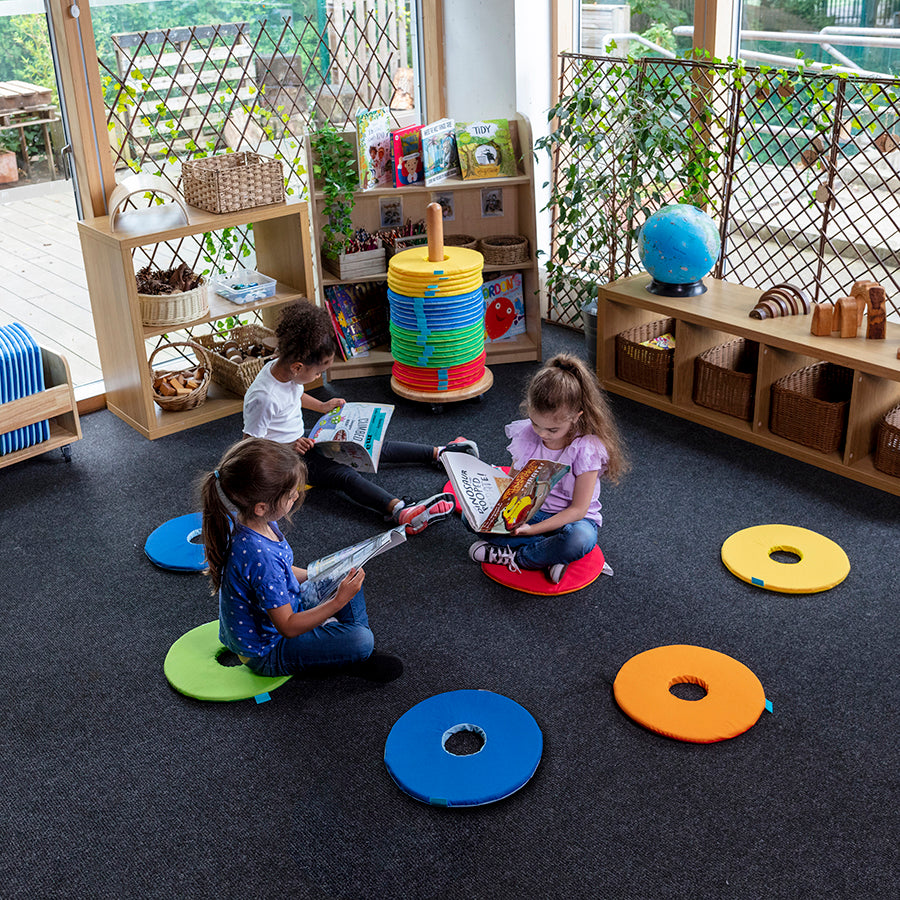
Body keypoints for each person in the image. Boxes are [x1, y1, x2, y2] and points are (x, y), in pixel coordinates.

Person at [242, 300, 478, 534]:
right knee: (343, 475)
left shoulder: (283, 371)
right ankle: (400, 510)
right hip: (286, 461)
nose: (317, 378)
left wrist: (323, 406)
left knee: (369, 446)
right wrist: (288, 447)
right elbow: (248, 447)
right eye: (318, 372)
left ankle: (438, 453)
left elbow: (295, 395)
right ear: (297, 367)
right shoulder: (263, 397)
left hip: (303, 442)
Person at [201, 437, 403, 682]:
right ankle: (353, 652)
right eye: (290, 495)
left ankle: (342, 645)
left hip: (284, 608)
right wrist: (337, 602)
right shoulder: (259, 556)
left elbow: (284, 571)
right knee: (362, 640)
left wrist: (321, 574)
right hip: (267, 650)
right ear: (261, 507)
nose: (296, 497)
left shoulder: (256, 522)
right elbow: (287, 626)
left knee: (348, 575)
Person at [468, 353, 629, 584]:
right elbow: (513, 483)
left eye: (552, 430)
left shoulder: (586, 448)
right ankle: (551, 553)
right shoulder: (527, 434)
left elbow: (578, 510)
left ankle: (519, 556)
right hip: (531, 512)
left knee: (579, 540)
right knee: (471, 519)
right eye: (536, 424)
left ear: (576, 417)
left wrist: (530, 531)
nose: (542, 433)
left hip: (573, 521)